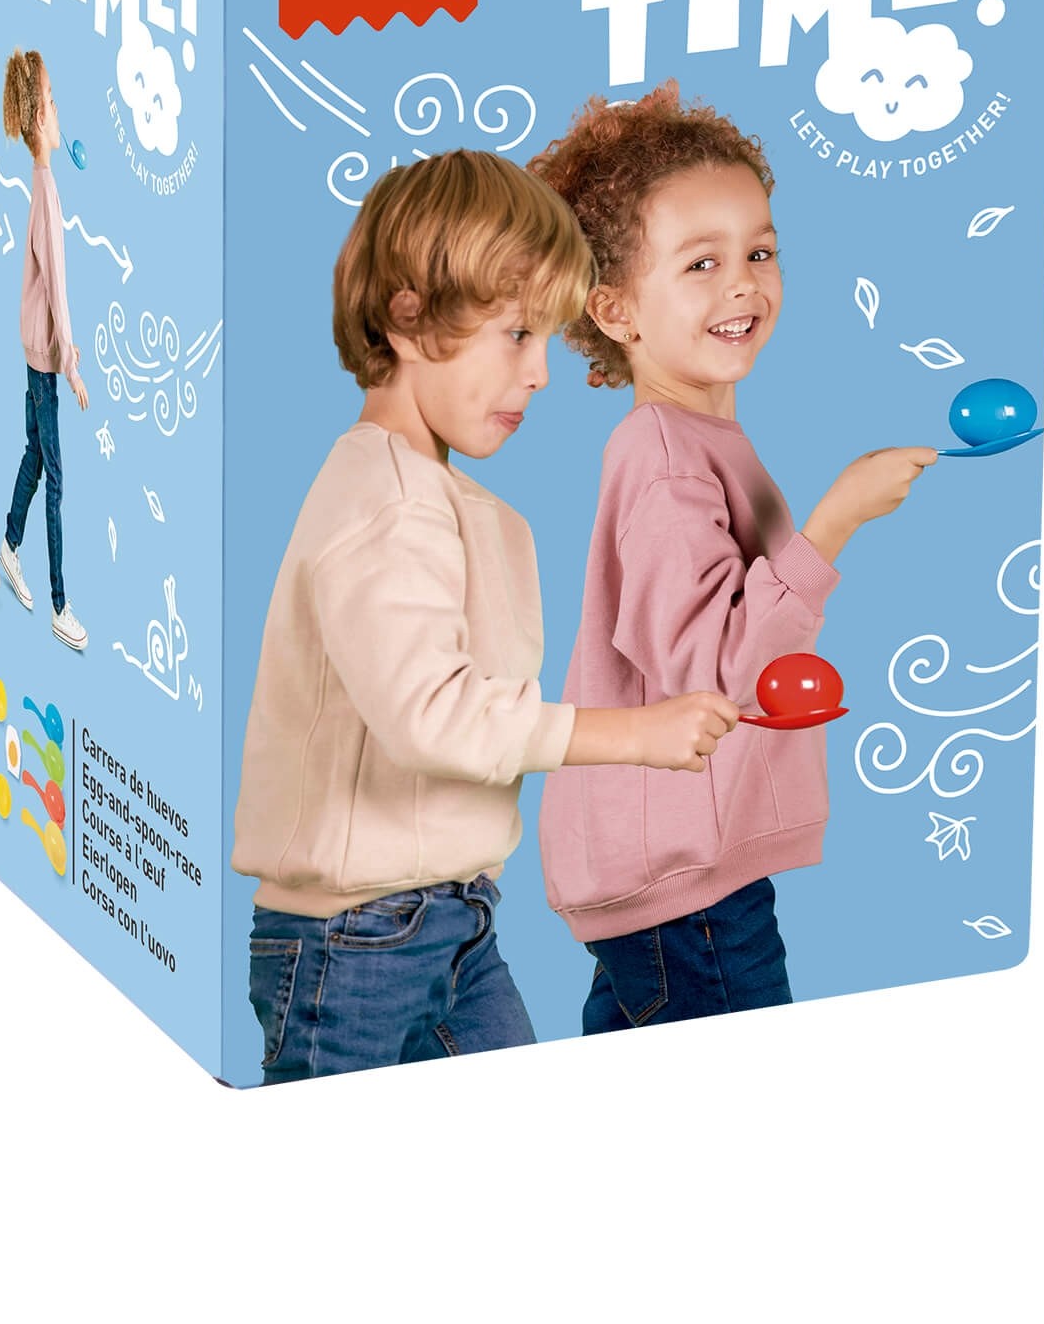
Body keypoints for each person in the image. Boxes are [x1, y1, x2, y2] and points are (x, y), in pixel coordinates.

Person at [231, 148, 739, 1082]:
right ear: (409, 317)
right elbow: (437, 716)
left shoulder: (448, 504)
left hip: (452, 922)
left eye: (546, 340)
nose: (539, 373)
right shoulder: (386, 503)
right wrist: (634, 736)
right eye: (516, 335)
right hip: (355, 939)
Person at [529, 81, 934, 1031]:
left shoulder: (700, 441)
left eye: (759, 252)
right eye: (701, 263)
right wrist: (835, 522)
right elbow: (710, 671)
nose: (744, 284)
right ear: (616, 311)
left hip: (681, 879)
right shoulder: (666, 457)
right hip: (690, 890)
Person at [0, 50, 89, 650]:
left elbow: (48, 288)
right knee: (55, 474)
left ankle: (9, 542)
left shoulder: (42, 184)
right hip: (44, 359)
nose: (59, 109)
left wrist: (63, 351)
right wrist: (71, 365)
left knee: (35, 449)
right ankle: (60, 606)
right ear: (39, 118)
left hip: (35, 349)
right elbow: (55, 286)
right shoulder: (47, 193)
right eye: (52, 100)